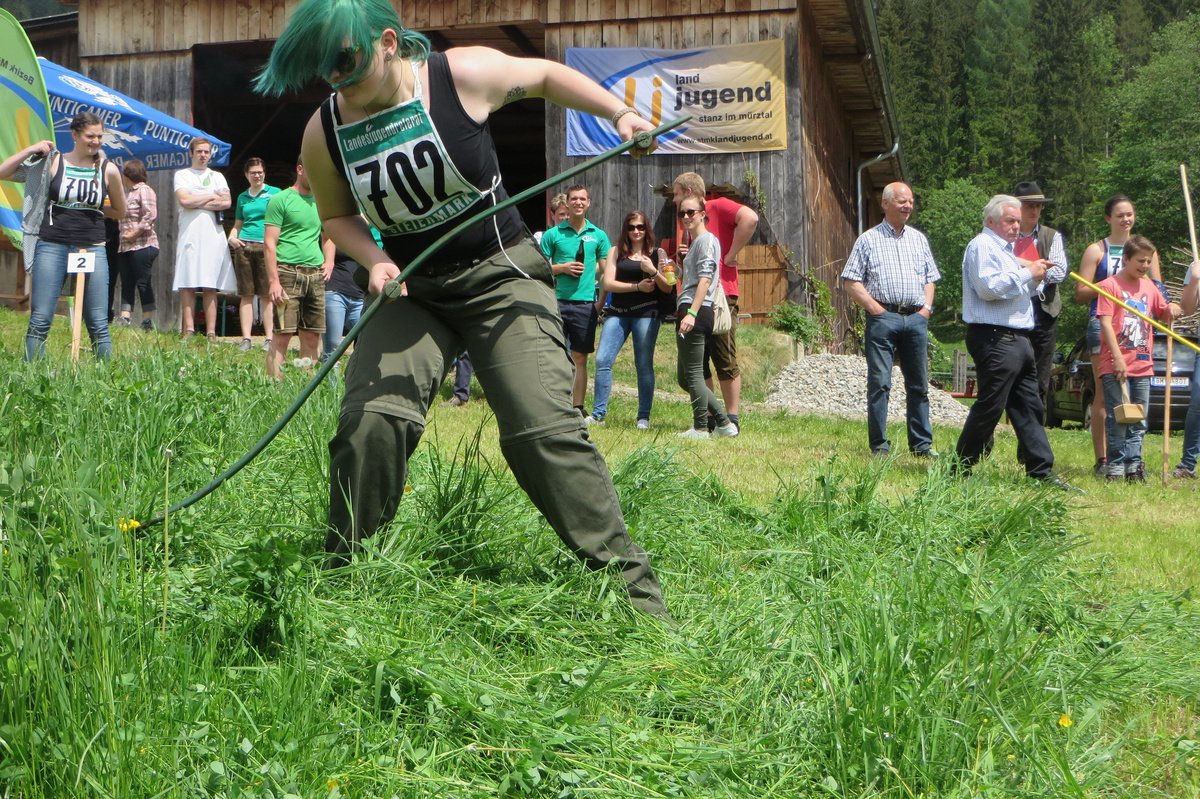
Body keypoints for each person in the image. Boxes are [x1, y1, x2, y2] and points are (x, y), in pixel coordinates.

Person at [254, 0, 669, 618]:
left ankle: (635, 596)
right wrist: (375, 260)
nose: (342, 85)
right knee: (371, 423)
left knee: (540, 428)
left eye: (350, 67)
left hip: (502, 275)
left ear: (388, 42)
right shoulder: (325, 131)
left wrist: (621, 114)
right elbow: (336, 215)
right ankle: (342, 587)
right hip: (413, 290)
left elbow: (546, 75)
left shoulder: (460, 76)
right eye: (329, 75)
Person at [954, 195, 1079, 491]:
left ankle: (1040, 470)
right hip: (994, 335)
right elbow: (988, 288)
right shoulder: (983, 246)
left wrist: (1035, 276)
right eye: (1010, 221)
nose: (1016, 227)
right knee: (992, 405)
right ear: (991, 221)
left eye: (1018, 222)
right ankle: (960, 468)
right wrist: (1027, 273)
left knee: (1029, 405)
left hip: (1019, 337)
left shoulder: (1008, 251)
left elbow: (1019, 289)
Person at [0, 112, 126, 360]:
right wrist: (31, 149)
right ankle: (33, 371)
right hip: (52, 244)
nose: (96, 141)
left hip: (92, 246)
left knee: (98, 320)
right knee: (40, 317)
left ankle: (106, 374)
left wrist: (90, 208)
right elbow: (4, 172)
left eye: (100, 136)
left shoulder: (108, 170)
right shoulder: (53, 162)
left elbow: (120, 211)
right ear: (75, 135)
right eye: (90, 136)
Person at [841, 181, 939, 457]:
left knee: (919, 385)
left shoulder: (918, 239)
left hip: (916, 319)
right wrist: (876, 310)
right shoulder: (868, 240)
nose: (908, 206)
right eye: (902, 201)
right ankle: (879, 445)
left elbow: (930, 279)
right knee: (880, 383)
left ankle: (921, 445)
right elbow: (851, 281)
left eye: (910, 201)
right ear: (885, 204)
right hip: (883, 319)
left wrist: (926, 309)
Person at [1075, 195, 1168, 475]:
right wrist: (1115, 283)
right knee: (1106, 393)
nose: (1126, 219)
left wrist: (1169, 306)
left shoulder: (1145, 250)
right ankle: (1105, 459)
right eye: (1120, 215)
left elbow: (1158, 290)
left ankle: (1132, 461)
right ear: (1109, 218)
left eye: (1130, 214)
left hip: (1136, 329)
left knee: (1136, 399)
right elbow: (1081, 293)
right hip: (1104, 322)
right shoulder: (1097, 250)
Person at [671, 172, 758, 431]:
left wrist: (730, 255)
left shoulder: (716, 206)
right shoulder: (691, 226)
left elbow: (751, 218)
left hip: (720, 296)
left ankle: (730, 418)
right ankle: (710, 418)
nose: (675, 202)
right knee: (698, 365)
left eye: (676, 194)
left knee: (724, 357)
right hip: (695, 298)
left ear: (688, 192)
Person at [1095, 235, 1181, 482]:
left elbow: (1163, 313)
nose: (1144, 266)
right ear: (1126, 259)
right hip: (1116, 363)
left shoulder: (1149, 286)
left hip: (1143, 363)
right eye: (1140, 261)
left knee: (1139, 419)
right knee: (1119, 416)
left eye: (1148, 261)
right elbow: (1105, 324)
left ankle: (1134, 466)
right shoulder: (1110, 286)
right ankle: (1115, 467)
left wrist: (1172, 308)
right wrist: (1118, 358)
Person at [591, 210, 673, 428]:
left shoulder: (658, 253)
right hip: (617, 313)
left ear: (647, 229)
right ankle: (598, 415)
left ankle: (643, 417)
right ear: (625, 230)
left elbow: (668, 286)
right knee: (602, 360)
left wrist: (652, 271)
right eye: (631, 227)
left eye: (640, 227)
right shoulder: (616, 251)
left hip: (646, 314)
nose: (636, 231)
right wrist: (637, 286)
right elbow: (608, 283)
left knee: (643, 364)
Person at [540, 184, 610, 417]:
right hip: (556, 302)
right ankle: (554, 404)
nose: (578, 203)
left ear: (588, 203)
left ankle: (577, 407)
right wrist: (562, 268)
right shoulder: (553, 235)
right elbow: (539, 269)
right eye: (574, 199)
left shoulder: (598, 235)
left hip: (584, 304)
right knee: (554, 356)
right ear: (567, 203)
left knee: (580, 357)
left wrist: (600, 302)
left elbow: (606, 272)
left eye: (582, 199)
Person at [675, 195, 739, 440]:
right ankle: (723, 423)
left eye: (691, 212)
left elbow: (705, 279)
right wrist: (676, 269)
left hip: (697, 310)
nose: (686, 217)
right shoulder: (695, 243)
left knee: (693, 374)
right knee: (685, 377)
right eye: (682, 213)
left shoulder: (707, 240)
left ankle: (702, 427)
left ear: (703, 214)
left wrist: (692, 313)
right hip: (688, 306)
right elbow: (693, 278)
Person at [264, 159, 332, 379]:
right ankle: (273, 386)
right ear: (300, 169)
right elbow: (269, 243)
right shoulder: (280, 199)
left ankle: (306, 386)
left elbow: (328, 236)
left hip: (315, 274)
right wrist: (273, 281)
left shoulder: (322, 201)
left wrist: (329, 261)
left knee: (312, 336)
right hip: (287, 272)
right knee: (282, 334)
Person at [1012, 181, 1068, 413]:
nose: (1034, 210)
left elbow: (1060, 271)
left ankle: (1036, 422)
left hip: (1044, 309)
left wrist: (1028, 271)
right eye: (1029, 205)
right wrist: (1036, 268)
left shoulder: (1051, 236)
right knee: (1012, 368)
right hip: (1012, 309)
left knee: (1041, 373)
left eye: (1038, 206)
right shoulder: (1005, 236)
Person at [173, 137, 237, 338]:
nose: (203, 155)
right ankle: (189, 330)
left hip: (212, 235)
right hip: (190, 234)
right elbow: (184, 200)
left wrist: (197, 200)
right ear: (191, 153)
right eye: (199, 151)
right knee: (188, 281)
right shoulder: (182, 175)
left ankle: (211, 332)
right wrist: (211, 196)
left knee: (210, 284)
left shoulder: (217, 176)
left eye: (206, 152)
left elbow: (226, 202)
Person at [228, 157, 281, 351]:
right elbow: (238, 224)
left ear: (264, 173)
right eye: (253, 173)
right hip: (245, 246)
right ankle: (246, 339)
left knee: (267, 294)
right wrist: (231, 237)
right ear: (246, 175)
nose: (257, 175)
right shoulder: (242, 197)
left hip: (267, 247)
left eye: (260, 172)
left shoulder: (275, 193)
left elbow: (283, 220)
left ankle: (269, 339)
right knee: (246, 294)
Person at [115, 159, 159, 330]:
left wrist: (134, 233)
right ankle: (125, 317)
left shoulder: (144, 190)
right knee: (126, 282)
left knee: (143, 282)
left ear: (127, 175)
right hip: (125, 246)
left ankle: (147, 320)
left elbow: (150, 215)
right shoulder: (127, 194)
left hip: (143, 244)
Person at [1173, 259, 1200, 479]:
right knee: (1198, 401)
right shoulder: (1196, 266)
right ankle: (1188, 465)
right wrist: (1195, 279)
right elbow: (1187, 308)